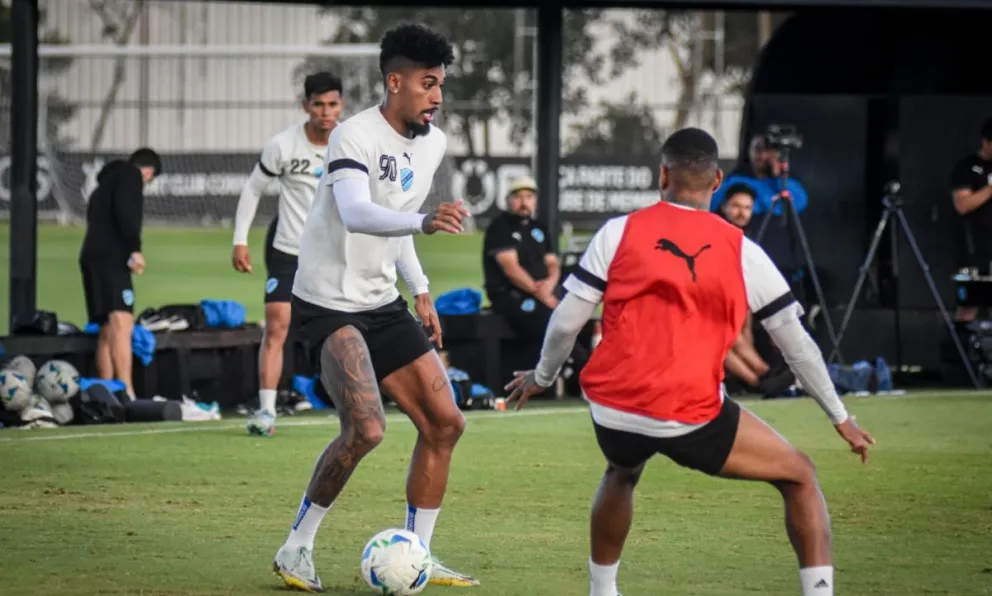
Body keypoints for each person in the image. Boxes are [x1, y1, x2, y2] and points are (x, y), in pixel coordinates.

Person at [506, 128, 874, 596]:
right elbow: (797, 345)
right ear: (718, 180)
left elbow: (564, 324)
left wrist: (543, 375)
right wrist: (840, 417)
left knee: (622, 469)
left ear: (662, 175)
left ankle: (603, 591)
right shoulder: (742, 249)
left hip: (612, 410)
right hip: (688, 414)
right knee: (800, 474)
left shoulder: (618, 231)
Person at [271, 23, 479, 592]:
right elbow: (359, 212)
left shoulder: (432, 142)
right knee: (365, 428)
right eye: (428, 83)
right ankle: (296, 548)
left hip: (381, 300)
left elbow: (398, 226)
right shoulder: (352, 136)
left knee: (446, 423)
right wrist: (424, 220)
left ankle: (418, 556)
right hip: (327, 303)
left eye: (442, 85)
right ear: (395, 81)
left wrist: (421, 289)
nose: (437, 96)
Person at [232, 72, 345, 435]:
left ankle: (351, 405)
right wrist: (239, 240)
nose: (326, 113)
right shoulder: (283, 145)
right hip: (288, 251)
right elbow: (252, 190)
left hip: (333, 255)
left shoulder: (351, 143)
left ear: (341, 105)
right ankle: (266, 411)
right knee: (278, 325)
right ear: (305, 106)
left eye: (332, 105)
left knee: (343, 332)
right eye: (319, 105)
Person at [482, 175, 589, 376]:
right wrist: (543, 295)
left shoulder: (539, 227)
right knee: (549, 318)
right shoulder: (501, 227)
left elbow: (552, 263)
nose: (524, 202)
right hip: (513, 296)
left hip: (542, 291)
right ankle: (583, 366)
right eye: (519, 197)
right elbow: (511, 269)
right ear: (509, 200)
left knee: (578, 276)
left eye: (529, 197)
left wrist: (549, 285)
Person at [79, 148, 161, 400]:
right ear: (148, 172)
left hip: (91, 258)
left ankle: (105, 393)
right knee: (123, 324)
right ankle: (127, 392)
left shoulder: (101, 187)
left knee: (107, 329)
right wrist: (134, 249)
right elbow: (128, 214)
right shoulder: (130, 176)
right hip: (112, 259)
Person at [950, 117, 992, 323]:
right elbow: (962, 205)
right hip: (975, 248)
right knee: (969, 307)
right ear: (986, 142)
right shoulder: (967, 167)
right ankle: (960, 352)